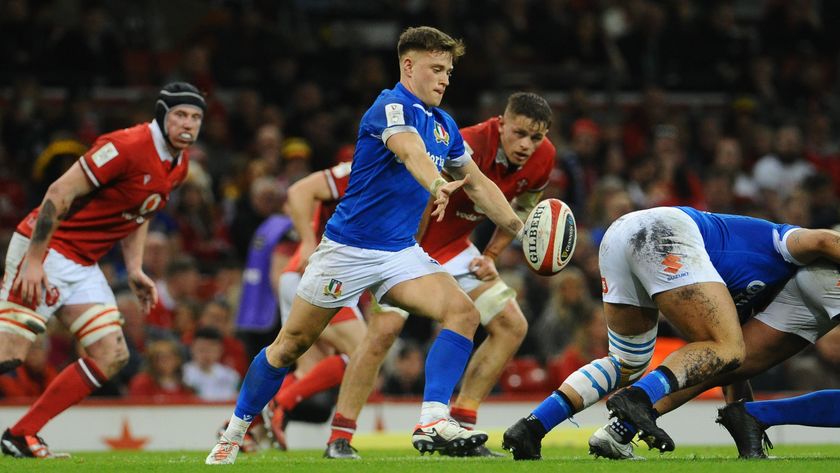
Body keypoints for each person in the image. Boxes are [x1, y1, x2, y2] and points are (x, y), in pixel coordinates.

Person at [206, 26, 525, 464]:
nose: (445, 79)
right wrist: (437, 183)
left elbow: (482, 186)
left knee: (464, 311)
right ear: (408, 66)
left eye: (449, 71)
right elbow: (408, 150)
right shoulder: (389, 106)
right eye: (437, 68)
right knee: (289, 345)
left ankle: (433, 419)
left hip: (398, 253)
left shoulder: (445, 124)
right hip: (347, 250)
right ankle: (237, 429)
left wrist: (519, 227)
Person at [322, 92, 556, 459]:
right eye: (519, 133)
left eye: (536, 137)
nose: (527, 145)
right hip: (406, 246)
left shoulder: (544, 159)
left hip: (457, 247)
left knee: (512, 325)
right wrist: (404, 254)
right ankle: (340, 436)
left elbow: (523, 209)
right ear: (501, 123)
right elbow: (422, 192)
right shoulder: (465, 142)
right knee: (383, 333)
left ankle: (460, 427)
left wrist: (492, 254)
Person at [502, 206, 840, 460]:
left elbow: (726, 365)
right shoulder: (782, 243)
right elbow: (825, 239)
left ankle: (533, 427)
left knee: (627, 361)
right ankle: (637, 399)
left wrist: (745, 417)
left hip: (620, 235)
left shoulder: (739, 297)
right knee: (727, 346)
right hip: (666, 232)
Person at [0, 82, 205, 459]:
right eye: (180, 115)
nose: (187, 124)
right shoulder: (126, 146)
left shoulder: (180, 163)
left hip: (83, 263)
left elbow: (142, 212)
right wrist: (32, 260)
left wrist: (134, 268)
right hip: (47, 250)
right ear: (162, 116)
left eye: (195, 117)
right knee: (8, 354)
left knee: (111, 354)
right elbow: (58, 194)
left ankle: (21, 435)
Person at [588, 261, 840, 459]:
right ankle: (758, 413)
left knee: (728, 363)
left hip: (811, 275)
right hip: (826, 274)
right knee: (725, 356)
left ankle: (621, 430)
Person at [259, 159, 367, 451]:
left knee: (310, 370)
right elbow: (298, 191)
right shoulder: (359, 172)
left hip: (304, 278)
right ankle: (278, 404)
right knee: (363, 353)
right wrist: (308, 240)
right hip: (319, 279)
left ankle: (245, 428)